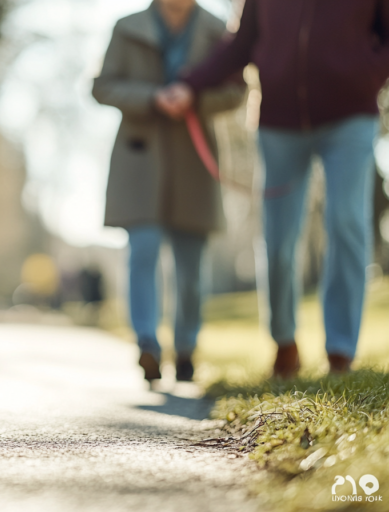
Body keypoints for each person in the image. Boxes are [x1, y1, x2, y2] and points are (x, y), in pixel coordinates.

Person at [161, 0, 389, 377]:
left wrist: (366, 74)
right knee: (279, 239)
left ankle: (341, 351)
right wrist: (189, 84)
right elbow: (240, 44)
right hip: (279, 123)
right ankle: (284, 342)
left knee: (347, 221)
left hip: (350, 115)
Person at [92, 0, 245, 382]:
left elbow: (237, 90)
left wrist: (196, 99)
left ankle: (187, 347)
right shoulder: (126, 27)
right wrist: (151, 98)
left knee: (191, 265)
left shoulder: (217, 29)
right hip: (139, 158)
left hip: (194, 156)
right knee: (142, 251)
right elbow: (103, 86)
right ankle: (147, 342)